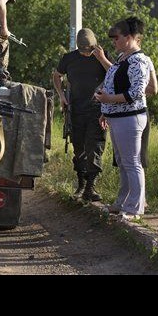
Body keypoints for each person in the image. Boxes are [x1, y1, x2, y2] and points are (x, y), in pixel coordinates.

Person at [93, 17, 154, 222]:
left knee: (132, 162)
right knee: (123, 161)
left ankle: (135, 207)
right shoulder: (122, 59)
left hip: (130, 117)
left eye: (116, 37)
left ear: (129, 37)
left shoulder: (138, 60)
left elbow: (136, 92)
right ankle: (123, 201)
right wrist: (105, 109)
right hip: (118, 117)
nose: (113, 41)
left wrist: (109, 100)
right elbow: (112, 85)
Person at [53, 29, 108, 201]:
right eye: (83, 50)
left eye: (89, 50)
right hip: (75, 109)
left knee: (95, 147)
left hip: (97, 110)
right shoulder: (69, 58)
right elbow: (57, 75)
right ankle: (81, 184)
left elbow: (115, 73)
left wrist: (102, 58)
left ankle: (91, 186)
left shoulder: (102, 55)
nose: (87, 53)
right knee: (79, 149)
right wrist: (61, 96)